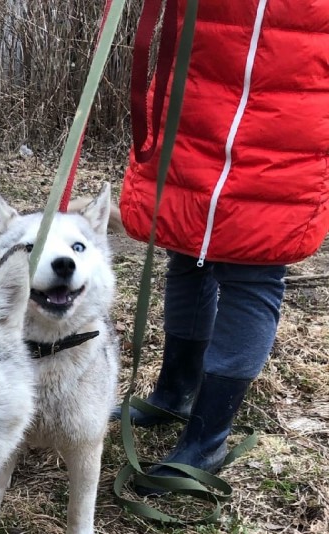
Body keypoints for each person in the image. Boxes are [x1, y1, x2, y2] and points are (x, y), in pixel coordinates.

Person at [116, 0, 329, 486]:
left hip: (295, 105)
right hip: (203, 86)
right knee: (187, 248)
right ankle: (174, 392)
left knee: (256, 267)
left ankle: (207, 439)